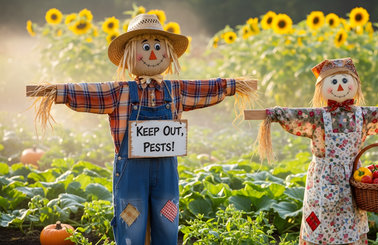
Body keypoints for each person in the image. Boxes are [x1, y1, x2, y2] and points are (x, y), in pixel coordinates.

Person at [32, 14, 256, 245]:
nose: (152, 54)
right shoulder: (120, 92)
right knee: (131, 220)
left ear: (168, 53)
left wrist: (233, 85)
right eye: (146, 47)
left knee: (167, 217)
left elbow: (206, 88)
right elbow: (89, 92)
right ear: (130, 56)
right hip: (132, 174)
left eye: (158, 47)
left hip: (166, 173)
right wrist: (56, 92)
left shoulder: (176, 90)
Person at [257, 58, 378, 244]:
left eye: (345, 81)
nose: (340, 87)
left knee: (351, 220)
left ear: (355, 84)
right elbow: (294, 114)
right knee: (320, 220)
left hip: (354, 178)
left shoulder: (363, 115)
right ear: (322, 88)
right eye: (334, 81)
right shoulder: (317, 117)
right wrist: (274, 114)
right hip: (323, 178)